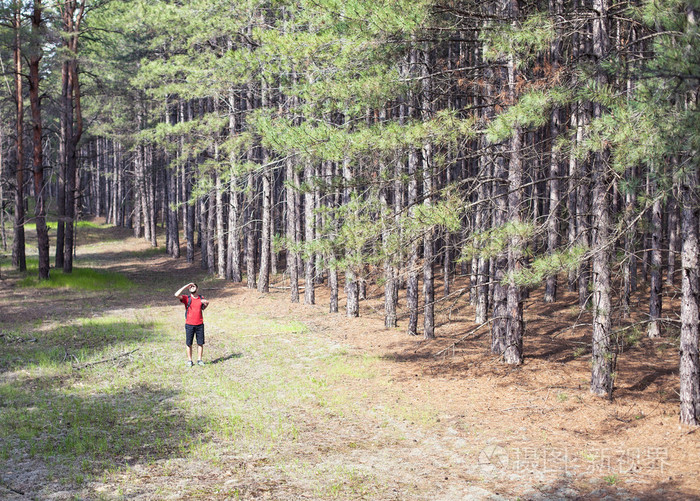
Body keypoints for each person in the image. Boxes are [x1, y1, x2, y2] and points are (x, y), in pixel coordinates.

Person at [174, 282, 209, 367]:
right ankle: (189, 360)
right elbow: (176, 294)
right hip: (189, 324)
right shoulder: (187, 298)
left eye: (194, 286)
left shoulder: (201, 298)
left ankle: (199, 360)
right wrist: (186, 286)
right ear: (189, 289)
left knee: (200, 343)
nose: (192, 287)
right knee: (189, 343)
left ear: (197, 289)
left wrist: (207, 304)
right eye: (190, 287)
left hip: (200, 324)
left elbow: (202, 308)